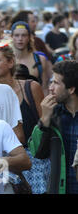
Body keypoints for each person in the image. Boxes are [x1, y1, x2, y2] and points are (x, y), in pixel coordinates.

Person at [0, 42, 50, 193]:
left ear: (10, 62)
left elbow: (44, 128)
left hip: (34, 161)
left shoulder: (31, 88)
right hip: (2, 161)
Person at [28, 60, 78, 194]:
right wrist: (44, 120)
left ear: (71, 89)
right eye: (51, 82)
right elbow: (37, 152)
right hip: (61, 189)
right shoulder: (53, 115)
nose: (50, 88)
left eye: (56, 83)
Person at [11, 21, 50, 94]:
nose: (20, 39)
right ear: (12, 37)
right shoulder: (6, 60)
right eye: (16, 35)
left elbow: (44, 88)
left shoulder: (40, 59)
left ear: (29, 37)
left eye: (24, 35)